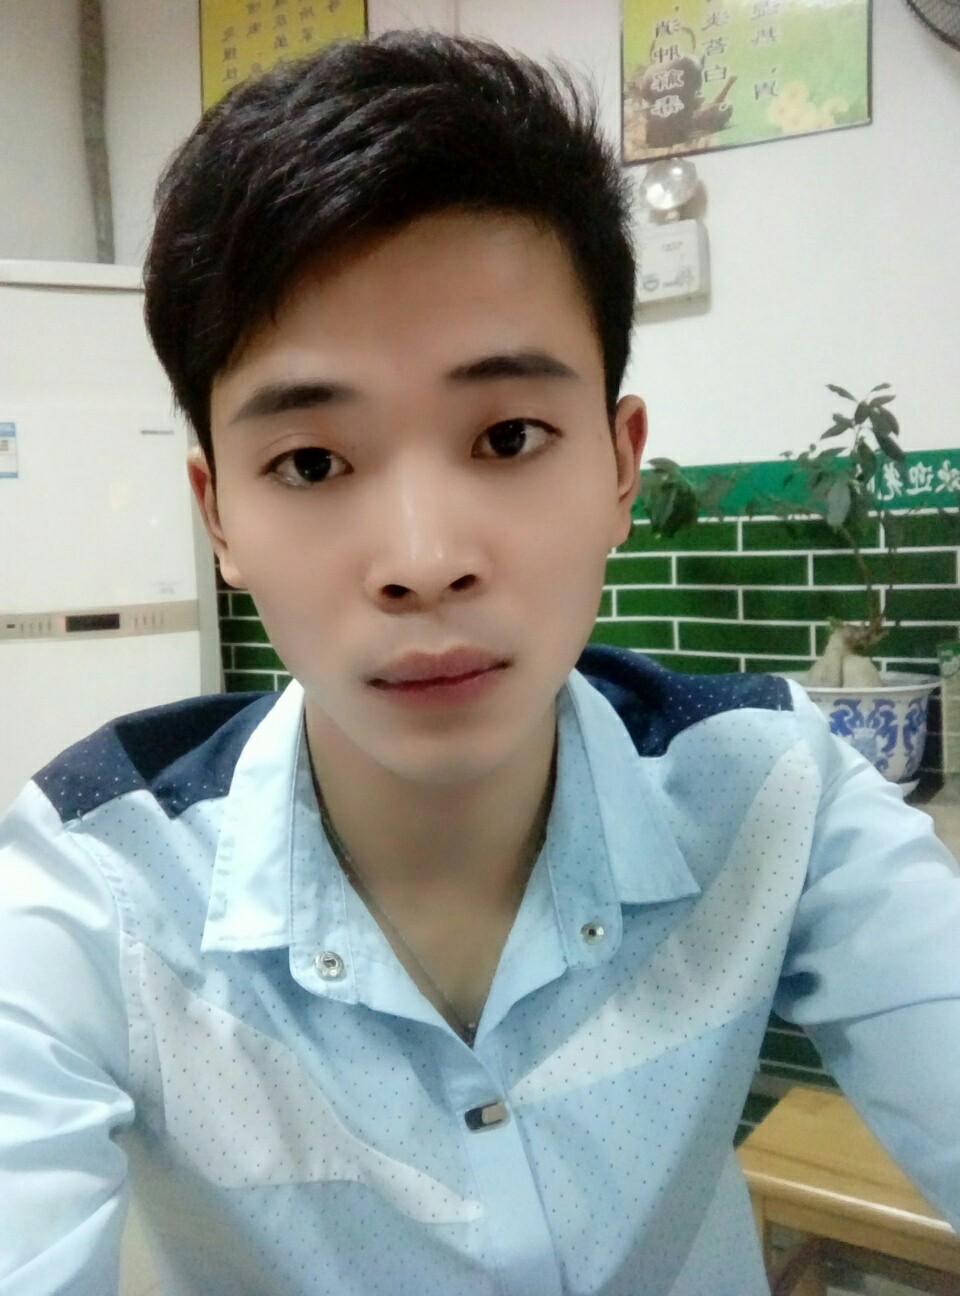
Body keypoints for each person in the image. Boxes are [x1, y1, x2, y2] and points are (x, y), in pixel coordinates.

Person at [2, 28, 959, 1296]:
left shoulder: (772, 793)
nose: (423, 561)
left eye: (507, 436)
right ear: (219, 514)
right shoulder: (99, 888)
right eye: (310, 462)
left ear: (620, 465)